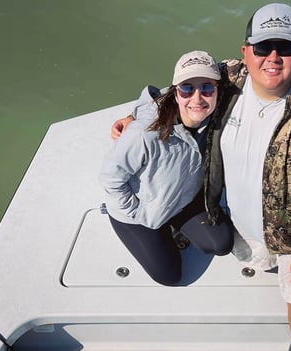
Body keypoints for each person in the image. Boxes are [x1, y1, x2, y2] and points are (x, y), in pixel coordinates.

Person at [111, 4, 291, 351]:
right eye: (263, 47)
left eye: (285, 47)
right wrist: (136, 114)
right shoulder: (229, 76)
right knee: (233, 249)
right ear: (246, 51)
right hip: (240, 218)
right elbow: (180, 86)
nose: (273, 58)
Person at [100, 50, 234, 286]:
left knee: (220, 244)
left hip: (184, 198)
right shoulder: (143, 133)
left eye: (207, 88)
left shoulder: (214, 116)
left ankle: (175, 225)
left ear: (217, 91)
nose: (197, 98)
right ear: (175, 92)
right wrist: (139, 213)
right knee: (169, 276)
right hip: (141, 214)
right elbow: (110, 178)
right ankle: (152, 229)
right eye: (187, 88)